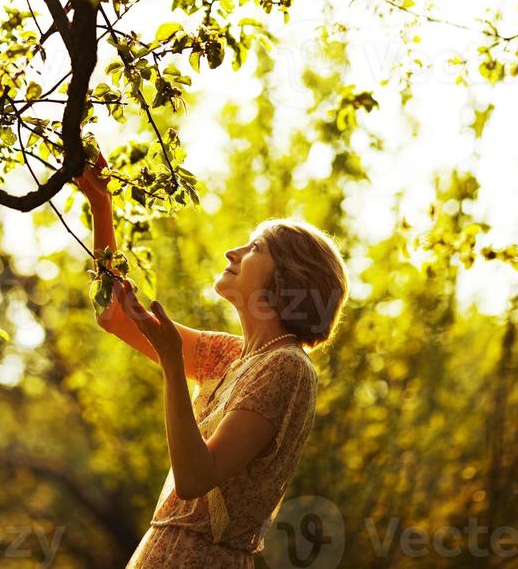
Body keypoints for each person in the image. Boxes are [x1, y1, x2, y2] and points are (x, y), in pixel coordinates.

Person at [74, 157, 349, 568]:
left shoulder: (288, 368)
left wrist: (171, 363)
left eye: (255, 247)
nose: (232, 251)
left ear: (288, 278)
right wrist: (101, 206)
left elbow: (194, 478)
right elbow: (112, 314)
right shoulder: (228, 355)